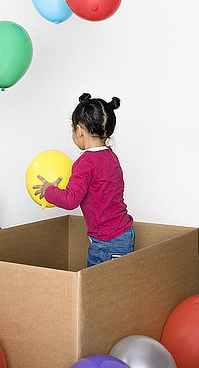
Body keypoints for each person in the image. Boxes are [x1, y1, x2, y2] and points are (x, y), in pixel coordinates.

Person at [34, 93, 134, 267]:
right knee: (119, 283)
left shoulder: (85, 162)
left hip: (106, 242)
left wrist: (48, 190)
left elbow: (71, 200)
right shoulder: (111, 157)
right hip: (124, 233)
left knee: (95, 286)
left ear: (79, 130)